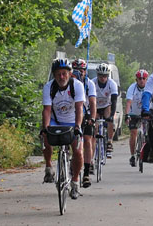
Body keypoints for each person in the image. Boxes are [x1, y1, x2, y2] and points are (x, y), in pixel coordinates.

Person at [41, 58, 85, 199]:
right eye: (58, 74)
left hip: (72, 122)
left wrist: (78, 126)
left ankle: (75, 181)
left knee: (78, 151)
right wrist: (45, 128)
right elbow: (47, 110)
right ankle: (49, 167)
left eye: (64, 73)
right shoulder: (49, 87)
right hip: (56, 120)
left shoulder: (77, 86)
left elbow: (79, 108)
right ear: (54, 75)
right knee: (45, 137)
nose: (61, 77)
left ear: (69, 74)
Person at [72, 58, 98, 187]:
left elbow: (93, 102)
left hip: (86, 112)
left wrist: (92, 118)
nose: (79, 73)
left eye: (81, 70)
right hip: (72, 113)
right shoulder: (69, 83)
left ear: (85, 71)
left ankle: (86, 173)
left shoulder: (89, 84)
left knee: (87, 140)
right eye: (76, 70)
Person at [94, 62, 119, 158]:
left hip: (106, 105)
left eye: (105, 76)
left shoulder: (112, 84)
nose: (102, 78)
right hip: (96, 106)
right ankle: (95, 138)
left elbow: (114, 100)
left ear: (108, 76)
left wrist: (112, 115)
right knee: (94, 121)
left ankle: (109, 141)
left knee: (110, 118)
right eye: (100, 75)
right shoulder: (93, 83)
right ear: (97, 75)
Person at [125, 69, 148, 167]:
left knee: (149, 133)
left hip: (146, 113)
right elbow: (129, 102)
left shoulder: (150, 87)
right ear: (136, 79)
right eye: (139, 79)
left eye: (144, 78)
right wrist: (127, 115)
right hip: (134, 113)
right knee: (133, 132)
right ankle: (133, 155)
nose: (142, 80)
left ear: (146, 79)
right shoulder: (132, 88)